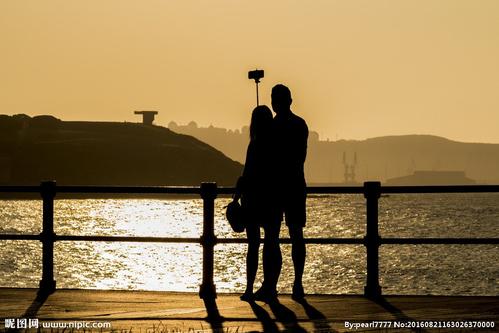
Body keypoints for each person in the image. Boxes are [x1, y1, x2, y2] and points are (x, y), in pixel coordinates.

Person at [233, 105, 282, 302]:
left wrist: (237, 196)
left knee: (253, 246)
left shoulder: (254, 145)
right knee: (272, 243)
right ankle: (271, 286)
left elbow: (246, 174)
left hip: (252, 199)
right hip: (272, 199)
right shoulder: (277, 145)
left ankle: (249, 289)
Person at [271, 84, 308, 301]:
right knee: (296, 235)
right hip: (295, 185)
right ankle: (298, 282)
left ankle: (274, 284)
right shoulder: (300, 125)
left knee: (274, 237)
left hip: (278, 187)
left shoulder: (272, 127)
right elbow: (299, 158)